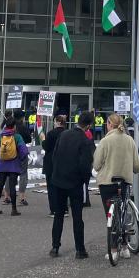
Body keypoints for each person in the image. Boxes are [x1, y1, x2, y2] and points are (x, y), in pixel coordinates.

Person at [49, 111, 96, 259]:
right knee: (77, 217)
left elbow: (55, 155)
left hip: (58, 180)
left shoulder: (64, 134)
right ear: (88, 126)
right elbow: (85, 165)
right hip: (74, 183)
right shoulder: (85, 141)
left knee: (58, 215)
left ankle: (55, 247)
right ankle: (80, 250)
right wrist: (84, 180)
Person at [93, 113, 139, 212]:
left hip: (107, 182)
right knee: (122, 211)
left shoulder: (105, 141)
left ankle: (111, 224)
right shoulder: (130, 140)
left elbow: (96, 165)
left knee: (110, 214)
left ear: (110, 124)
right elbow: (137, 167)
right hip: (124, 182)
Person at [0, 116, 27, 215]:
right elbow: (23, 151)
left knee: (0, 185)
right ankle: (14, 209)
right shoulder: (17, 137)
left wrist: (2, 156)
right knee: (12, 186)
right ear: (14, 126)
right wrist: (19, 158)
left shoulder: (1, 136)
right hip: (13, 165)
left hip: (2, 164)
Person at [42, 113, 69, 213]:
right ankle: (65, 208)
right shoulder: (68, 133)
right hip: (64, 162)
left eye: (54, 121)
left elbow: (46, 147)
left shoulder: (51, 133)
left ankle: (54, 209)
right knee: (63, 186)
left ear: (58, 122)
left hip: (51, 162)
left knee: (52, 187)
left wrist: (43, 140)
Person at [13, 110, 33, 207]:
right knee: (23, 174)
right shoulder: (23, 127)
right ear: (22, 118)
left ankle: (7, 196)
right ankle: (22, 197)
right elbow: (29, 139)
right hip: (21, 152)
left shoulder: (9, 126)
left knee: (10, 174)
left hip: (10, 153)